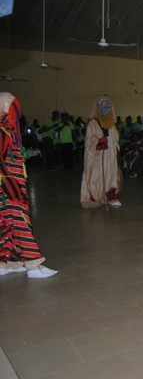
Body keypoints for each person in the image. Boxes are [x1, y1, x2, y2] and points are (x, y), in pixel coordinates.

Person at [0, 93, 58, 278]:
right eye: (11, 108)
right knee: (20, 221)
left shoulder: (7, 131)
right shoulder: (2, 132)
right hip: (9, 189)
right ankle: (33, 265)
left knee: (8, 225)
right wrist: (12, 188)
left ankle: (9, 262)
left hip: (10, 186)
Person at [80, 97, 122, 208]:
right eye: (103, 107)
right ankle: (95, 196)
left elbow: (115, 139)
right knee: (97, 175)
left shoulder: (112, 124)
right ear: (98, 108)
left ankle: (110, 196)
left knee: (111, 175)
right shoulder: (93, 123)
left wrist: (116, 151)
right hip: (98, 156)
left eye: (108, 107)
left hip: (110, 155)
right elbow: (89, 140)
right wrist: (98, 142)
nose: (106, 109)